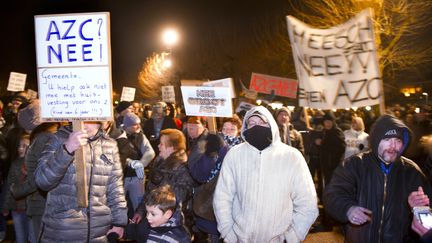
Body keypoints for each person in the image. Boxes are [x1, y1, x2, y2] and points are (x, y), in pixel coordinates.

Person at [213, 106, 318, 243]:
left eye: (263, 122)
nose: (257, 127)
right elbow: (222, 197)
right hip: (241, 239)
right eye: (252, 123)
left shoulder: (291, 157)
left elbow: (307, 202)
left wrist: (293, 236)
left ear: (272, 125)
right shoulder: (235, 154)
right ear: (245, 128)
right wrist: (228, 232)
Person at [323, 114, 432, 242]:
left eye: (398, 141)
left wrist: (420, 209)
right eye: (387, 140)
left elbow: (427, 214)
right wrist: (348, 209)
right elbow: (333, 194)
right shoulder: (354, 165)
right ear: (376, 140)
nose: (393, 146)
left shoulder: (412, 171)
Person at [34, 122, 128, 242]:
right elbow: (42, 181)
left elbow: (116, 186)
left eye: (89, 119)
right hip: (62, 231)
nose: (83, 123)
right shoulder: (57, 139)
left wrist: (119, 222)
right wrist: (67, 149)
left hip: (99, 232)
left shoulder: (110, 145)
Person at [132, 128, 194, 242]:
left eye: (162, 144)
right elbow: (150, 191)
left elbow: (175, 204)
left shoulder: (182, 169)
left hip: (168, 226)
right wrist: (141, 211)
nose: (158, 146)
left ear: (172, 148)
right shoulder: (159, 162)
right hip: (154, 218)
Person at [2, 133, 36, 243]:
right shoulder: (15, 164)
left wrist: (28, 173)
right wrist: (6, 207)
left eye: (25, 146)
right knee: (20, 238)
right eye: (19, 145)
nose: (20, 148)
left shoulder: (37, 164)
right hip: (16, 209)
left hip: (32, 209)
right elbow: (9, 187)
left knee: (33, 238)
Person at [122, 112, 156, 211]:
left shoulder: (141, 136)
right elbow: (118, 156)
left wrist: (140, 164)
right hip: (122, 176)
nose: (138, 126)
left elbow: (150, 152)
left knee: (139, 202)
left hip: (138, 176)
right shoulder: (119, 137)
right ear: (128, 126)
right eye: (135, 124)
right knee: (119, 203)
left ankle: (138, 222)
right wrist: (129, 162)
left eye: (138, 124)